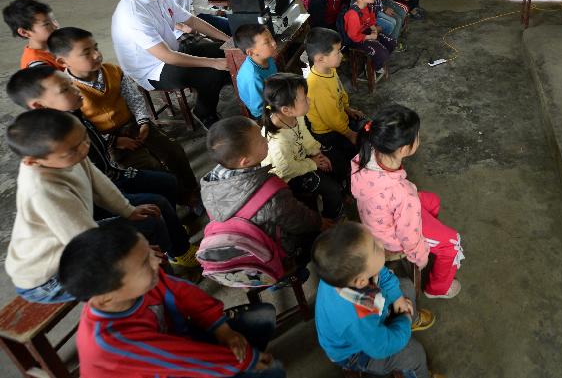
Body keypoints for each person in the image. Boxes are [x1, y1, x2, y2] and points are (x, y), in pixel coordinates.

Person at [7, 68, 200, 268]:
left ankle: (172, 241)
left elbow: (95, 175)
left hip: (105, 182)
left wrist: (127, 210)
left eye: (71, 84)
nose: (77, 91)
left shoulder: (70, 128)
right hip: (67, 245)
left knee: (165, 184)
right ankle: (165, 264)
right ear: (38, 105)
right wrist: (132, 247)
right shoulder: (45, 176)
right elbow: (78, 235)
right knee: (153, 215)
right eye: (65, 89)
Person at [59, 221, 285, 377]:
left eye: (149, 252)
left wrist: (222, 330)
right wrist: (247, 361)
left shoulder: (138, 284)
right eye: (145, 263)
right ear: (107, 297)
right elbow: (184, 359)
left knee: (263, 317)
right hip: (166, 365)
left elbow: (184, 292)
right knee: (271, 370)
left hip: (175, 346)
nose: (157, 262)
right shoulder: (111, 343)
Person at [3, 109, 160, 303]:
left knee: (149, 226)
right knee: (136, 275)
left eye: (85, 139)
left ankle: (169, 291)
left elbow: (98, 181)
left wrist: (128, 210)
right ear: (33, 161)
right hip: (48, 275)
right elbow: (84, 241)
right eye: (74, 148)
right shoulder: (43, 190)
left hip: (77, 241)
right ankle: (154, 308)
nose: (85, 148)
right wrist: (134, 257)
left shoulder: (68, 149)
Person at [48, 27, 199, 200]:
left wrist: (143, 122)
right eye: (86, 53)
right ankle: (181, 199)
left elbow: (134, 98)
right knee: (151, 167)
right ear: (63, 61)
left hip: (135, 124)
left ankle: (192, 190)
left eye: (96, 48)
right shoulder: (67, 91)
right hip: (108, 140)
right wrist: (114, 141)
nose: (97, 55)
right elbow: (81, 129)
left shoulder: (112, 71)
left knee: (174, 152)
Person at [111, 0, 230, 127]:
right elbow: (166, 56)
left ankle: (217, 91)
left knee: (224, 51)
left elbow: (191, 20)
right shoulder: (132, 13)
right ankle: (205, 113)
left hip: (171, 51)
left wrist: (227, 40)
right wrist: (213, 63)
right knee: (211, 72)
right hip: (152, 69)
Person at [353, 104, 464, 299]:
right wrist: (421, 257)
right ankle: (437, 288)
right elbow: (409, 237)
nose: (419, 138)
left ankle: (432, 238)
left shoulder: (366, 152)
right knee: (452, 243)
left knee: (432, 201)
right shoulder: (404, 195)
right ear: (404, 149)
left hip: (377, 217)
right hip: (392, 236)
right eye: (417, 136)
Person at [313, 222, 439, 378]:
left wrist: (398, 299)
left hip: (370, 317)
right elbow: (380, 348)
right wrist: (404, 318)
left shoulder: (346, 273)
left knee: (405, 287)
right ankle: (421, 373)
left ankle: (407, 324)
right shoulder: (357, 315)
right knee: (414, 354)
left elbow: (382, 273)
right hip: (356, 352)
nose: (380, 242)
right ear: (361, 281)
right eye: (374, 246)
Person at [201, 117, 324, 270]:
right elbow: (299, 220)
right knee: (316, 233)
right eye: (260, 140)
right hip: (273, 253)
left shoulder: (209, 182)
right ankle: (296, 270)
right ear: (245, 161)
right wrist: (320, 222)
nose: (266, 139)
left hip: (240, 249)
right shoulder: (270, 190)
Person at [261, 73, 345, 220]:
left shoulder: (294, 115)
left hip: (301, 160)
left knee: (336, 160)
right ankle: (331, 219)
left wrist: (317, 153)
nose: (309, 99)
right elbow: (287, 170)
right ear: (286, 109)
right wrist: (313, 163)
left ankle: (342, 195)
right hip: (287, 176)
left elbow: (304, 135)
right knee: (330, 189)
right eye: (304, 98)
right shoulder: (278, 142)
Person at [304, 27, 365, 179]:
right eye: (337, 52)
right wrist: (349, 133)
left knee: (365, 132)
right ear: (320, 58)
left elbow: (340, 91)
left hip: (339, 121)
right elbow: (330, 118)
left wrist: (347, 108)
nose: (341, 55)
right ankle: (350, 182)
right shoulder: (316, 85)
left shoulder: (329, 70)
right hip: (327, 133)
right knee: (349, 158)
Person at [344, 0, 396, 73]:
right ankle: (372, 68)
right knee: (383, 53)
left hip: (367, 32)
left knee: (392, 42)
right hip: (357, 40)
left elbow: (371, 20)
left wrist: (373, 29)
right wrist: (370, 36)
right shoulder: (353, 14)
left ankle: (377, 61)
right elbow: (354, 36)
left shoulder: (368, 6)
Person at [234, 24, 278, 120]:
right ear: (251, 52)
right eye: (267, 42)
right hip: (264, 112)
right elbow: (259, 109)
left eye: (272, 38)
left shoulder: (267, 57)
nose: (274, 43)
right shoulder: (253, 77)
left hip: (273, 94)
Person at [3, 0, 62, 69]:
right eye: (46, 24)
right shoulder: (36, 64)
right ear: (24, 32)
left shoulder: (53, 43)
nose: (55, 26)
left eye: (52, 21)